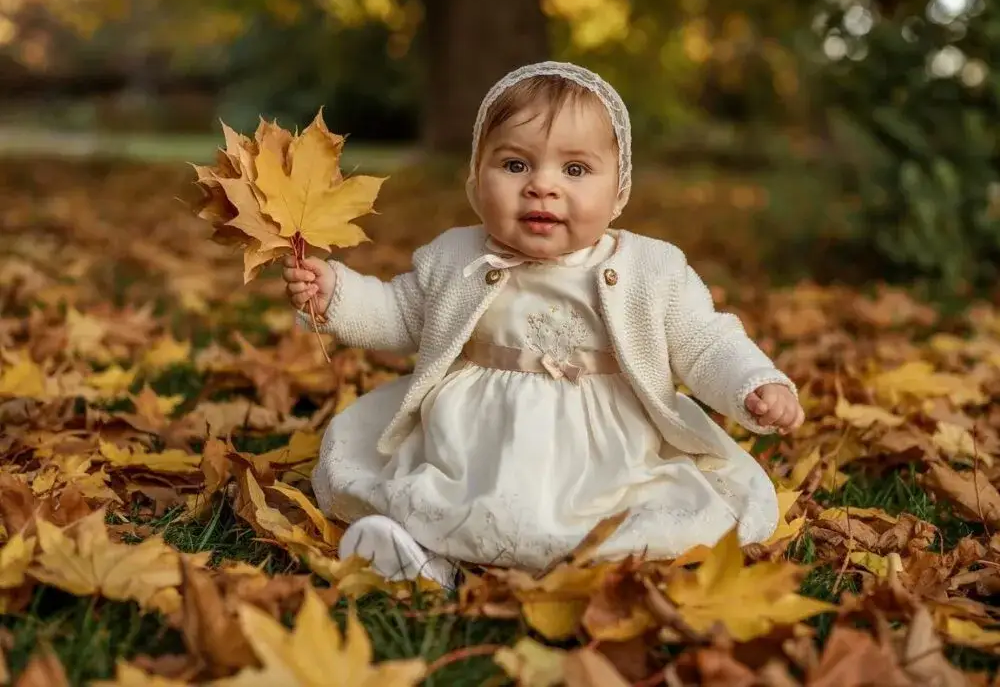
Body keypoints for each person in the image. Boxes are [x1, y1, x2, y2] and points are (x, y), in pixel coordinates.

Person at [282, 61, 805, 589]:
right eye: (515, 165)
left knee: (628, 514)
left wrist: (752, 383)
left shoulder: (653, 268)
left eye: (575, 169)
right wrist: (337, 295)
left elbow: (705, 342)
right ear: (475, 179)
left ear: (619, 190)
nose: (542, 186)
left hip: (603, 448)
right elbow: (399, 314)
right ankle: (426, 559)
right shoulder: (457, 257)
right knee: (447, 495)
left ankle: (602, 574)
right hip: (474, 439)